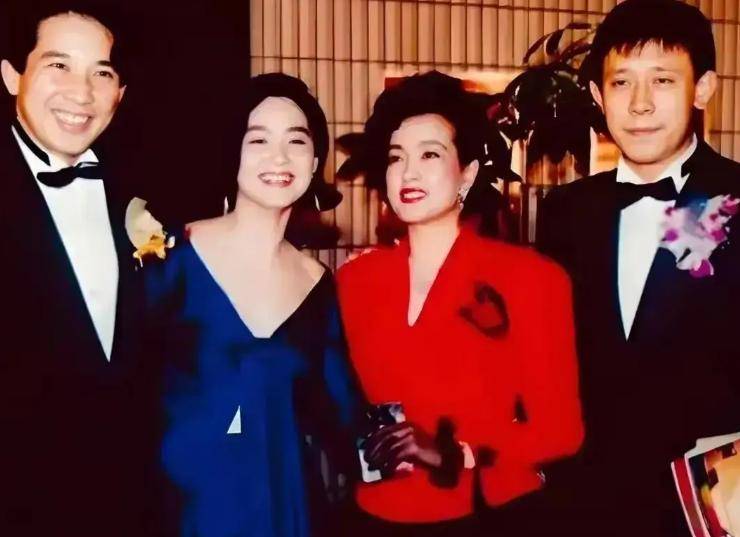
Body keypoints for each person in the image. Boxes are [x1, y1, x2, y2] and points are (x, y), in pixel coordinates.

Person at [336, 71, 584, 536]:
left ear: (467, 173)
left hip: (486, 515)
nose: (409, 172)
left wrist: (456, 451)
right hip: (375, 514)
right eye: (396, 157)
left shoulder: (531, 278)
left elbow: (562, 431)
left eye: (430, 154)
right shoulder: (355, 280)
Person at [537, 1, 740, 535]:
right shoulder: (565, 210)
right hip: (583, 505)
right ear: (598, 95)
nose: (640, 103)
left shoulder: (735, 198)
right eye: (622, 83)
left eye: (663, 80)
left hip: (708, 508)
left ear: (703, 88)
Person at [145, 73, 360, 537]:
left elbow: (342, 414)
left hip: (286, 505)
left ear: (315, 161)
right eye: (258, 139)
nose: (278, 157)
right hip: (182, 510)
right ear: (233, 152)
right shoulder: (170, 256)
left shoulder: (318, 284)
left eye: (296, 141)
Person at [0, 3, 157, 535]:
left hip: (128, 501)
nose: (82, 92)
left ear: (121, 93)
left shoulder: (148, 190)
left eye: (101, 73)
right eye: (58, 65)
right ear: (12, 76)